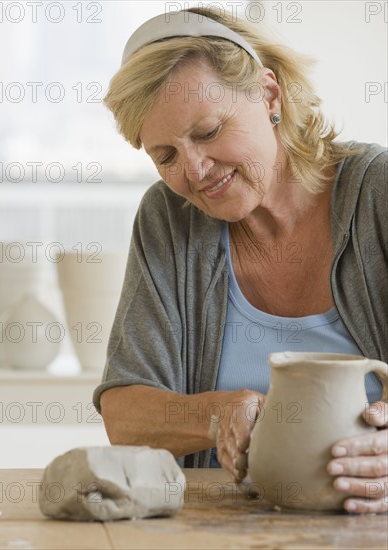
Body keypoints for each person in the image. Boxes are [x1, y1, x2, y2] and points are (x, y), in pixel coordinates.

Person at [93, 7, 388, 514]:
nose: (195, 170)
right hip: (219, 528)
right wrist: (220, 413)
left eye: (207, 131)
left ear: (269, 95)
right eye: (165, 155)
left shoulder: (377, 194)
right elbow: (125, 415)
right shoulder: (170, 219)